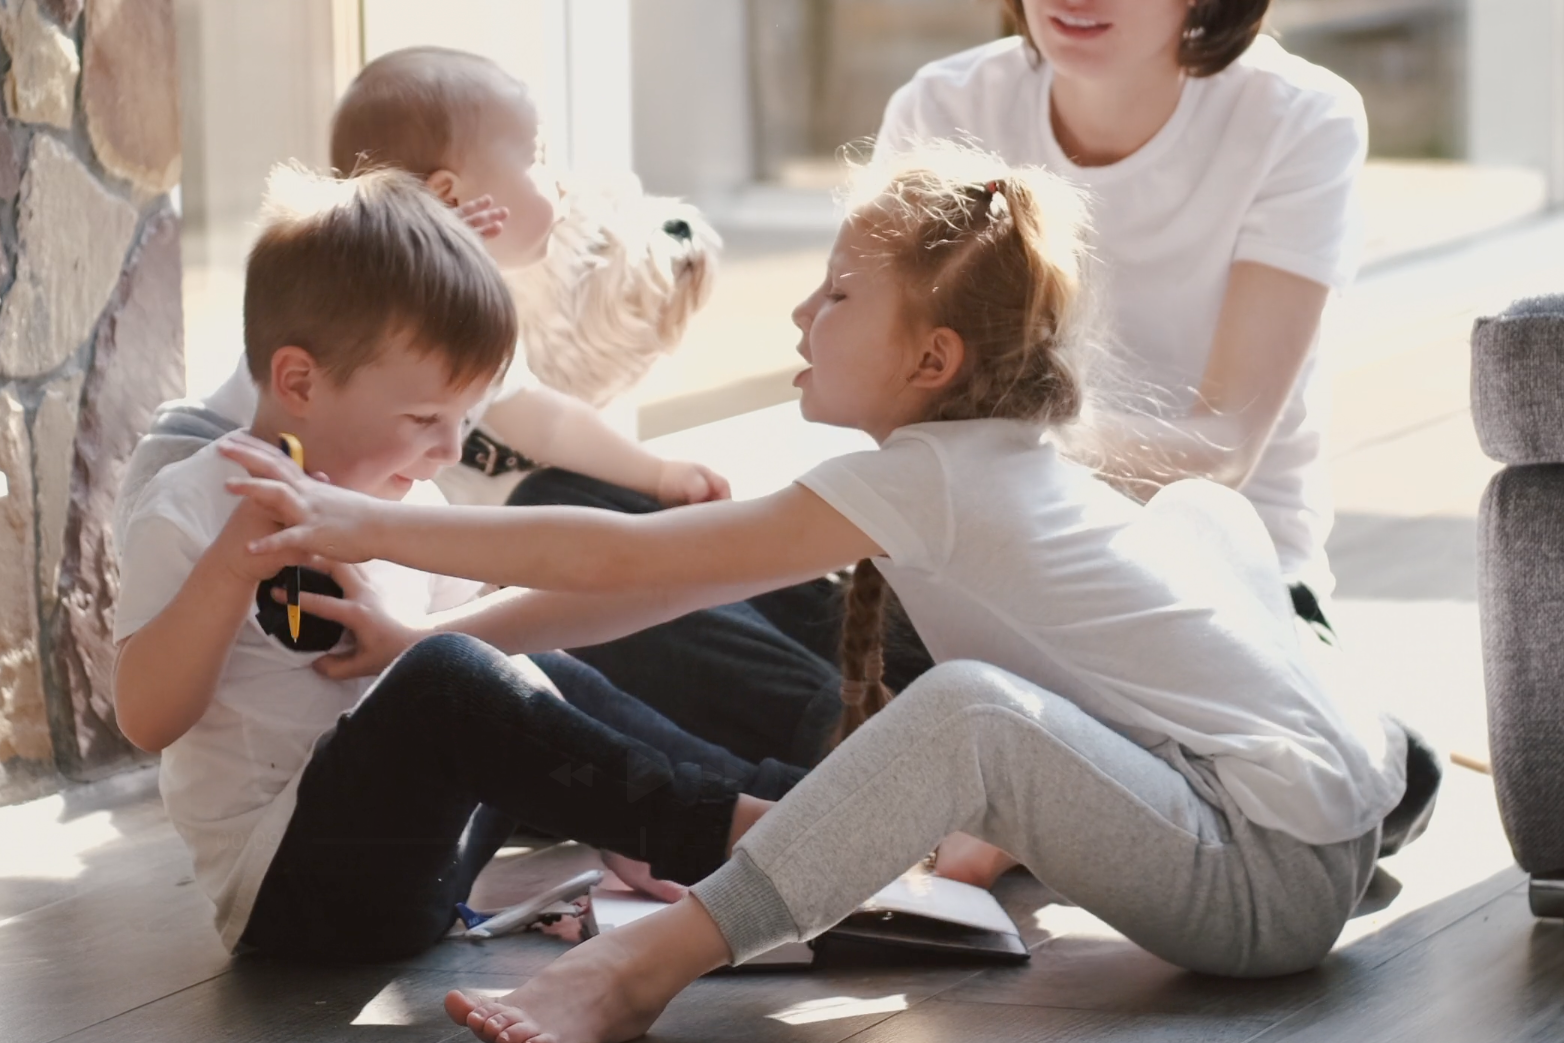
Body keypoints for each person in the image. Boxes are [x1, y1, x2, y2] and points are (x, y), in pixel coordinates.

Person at [217, 149, 1408, 1042]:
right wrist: (424, 637)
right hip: (1299, 843)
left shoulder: (938, 477)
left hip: (1266, 881)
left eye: (836, 296)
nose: (798, 312)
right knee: (1102, 599)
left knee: (969, 710)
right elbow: (624, 599)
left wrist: (365, 519)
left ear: (930, 362)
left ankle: (639, 970)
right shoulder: (982, 460)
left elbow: (628, 565)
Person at [112, 166, 793, 962]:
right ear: (299, 380)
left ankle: (786, 804)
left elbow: (508, 708)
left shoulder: (413, 499)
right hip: (299, 893)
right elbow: (147, 718)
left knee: (522, 665)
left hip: (430, 858)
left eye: (464, 418)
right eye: (425, 417)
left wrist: (607, 811)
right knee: (449, 676)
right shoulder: (190, 506)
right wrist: (232, 566)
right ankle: (724, 830)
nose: (450, 447)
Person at [876, 0, 1361, 602]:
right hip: (970, 562)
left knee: (964, 690)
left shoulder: (1298, 117)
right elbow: (879, 375)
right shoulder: (944, 106)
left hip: (1224, 585)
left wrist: (984, 441)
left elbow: (1221, 444)